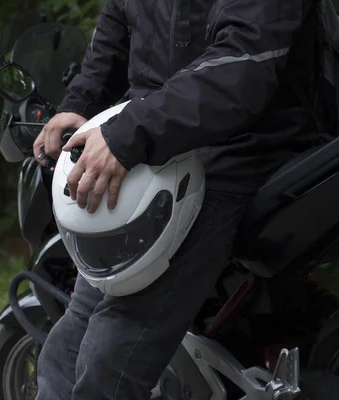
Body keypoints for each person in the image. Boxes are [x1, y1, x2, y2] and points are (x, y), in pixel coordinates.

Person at [31, 0, 333, 399]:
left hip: (236, 153)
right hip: (155, 147)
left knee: (112, 354)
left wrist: (129, 134)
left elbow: (242, 66)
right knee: (68, 345)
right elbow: (116, 28)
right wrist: (80, 103)